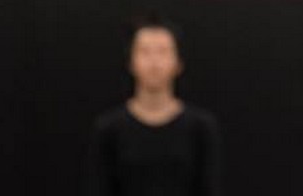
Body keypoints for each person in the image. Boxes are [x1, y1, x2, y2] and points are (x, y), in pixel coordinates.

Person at [85, 16, 222, 196]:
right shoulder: (109, 129)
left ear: (178, 63)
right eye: (145, 52)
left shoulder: (200, 127)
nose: (154, 61)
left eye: (163, 51)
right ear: (131, 62)